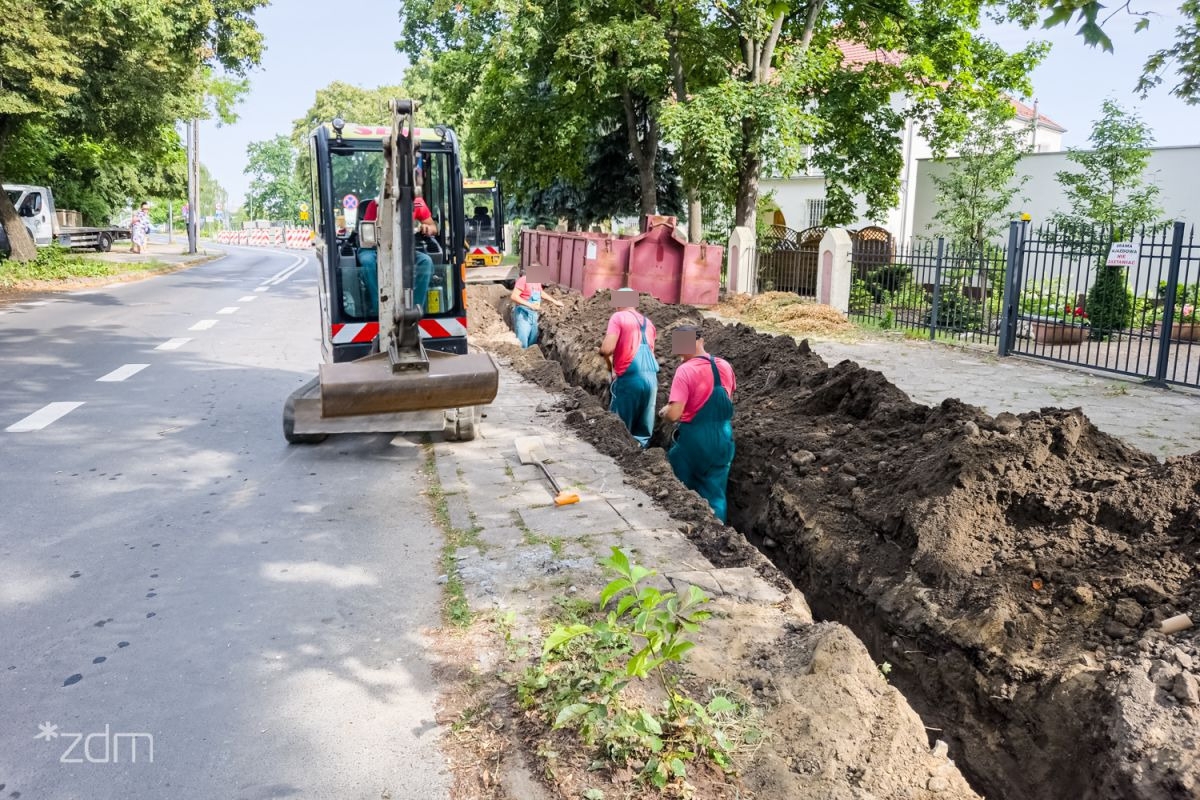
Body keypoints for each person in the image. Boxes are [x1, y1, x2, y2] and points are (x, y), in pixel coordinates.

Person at [659, 325, 736, 522]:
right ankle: (719, 534)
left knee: (681, 491)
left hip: (694, 440)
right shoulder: (724, 366)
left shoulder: (685, 371)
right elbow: (728, 398)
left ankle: (684, 531)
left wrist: (664, 412)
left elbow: (675, 414)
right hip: (723, 438)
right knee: (716, 494)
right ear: (701, 341)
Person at [356, 195, 438, 313]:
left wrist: (428, 228)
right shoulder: (376, 204)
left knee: (425, 261)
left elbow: (433, 227)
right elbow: (367, 235)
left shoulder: (417, 203)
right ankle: (379, 309)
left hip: (402, 248)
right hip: (373, 248)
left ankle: (415, 309)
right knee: (368, 261)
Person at [599, 288, 658, 447]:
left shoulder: (618, 317)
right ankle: (639, 460)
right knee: (643, 430)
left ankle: (618, 462)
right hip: (651, 380)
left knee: (619, 429)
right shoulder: (648, 323)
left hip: (630, 380)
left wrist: (611, 367)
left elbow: (606, 349)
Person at [510, 262, 562, 348]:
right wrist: (530, 305)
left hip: (534, 316)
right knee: (523, 341)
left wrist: (554, 301)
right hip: (523, 315)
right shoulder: (523, 280)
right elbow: (514, 296)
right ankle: (522, 359)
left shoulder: (536, 282)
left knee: (532, 342)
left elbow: (541, 293)